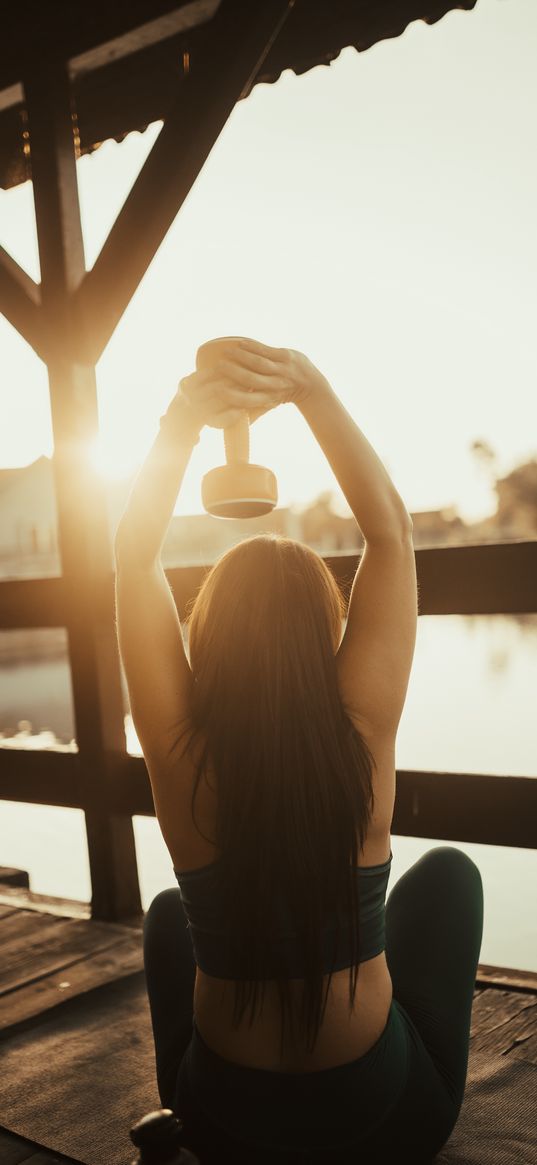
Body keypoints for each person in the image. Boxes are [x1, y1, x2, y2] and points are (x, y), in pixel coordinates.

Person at [114, 338, 484, 1165]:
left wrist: (182, 423)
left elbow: (130, 558)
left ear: (206, 637)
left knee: (175, 915)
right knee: (450, 877)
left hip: (224, 1127)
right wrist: (308, 390)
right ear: (326, 636)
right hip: (385, 1124)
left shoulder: (180, 754)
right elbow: (388, 532)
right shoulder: (358, 730)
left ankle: (182, 1111)